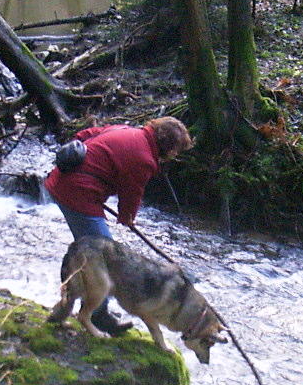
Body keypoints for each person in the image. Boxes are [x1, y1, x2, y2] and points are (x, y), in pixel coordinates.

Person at [45, 116, 194, 335]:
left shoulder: (124, 129)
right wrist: (127, 217)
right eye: (176, 151)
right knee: (102, 255)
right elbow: (132, 192)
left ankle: (66, 308)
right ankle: (98, 315)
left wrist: (82, 160)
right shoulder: (145, 160)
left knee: (87, 254)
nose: (174, 156)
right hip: (77, 194)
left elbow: (84, 135)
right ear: (168, 146)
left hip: (62, 180)